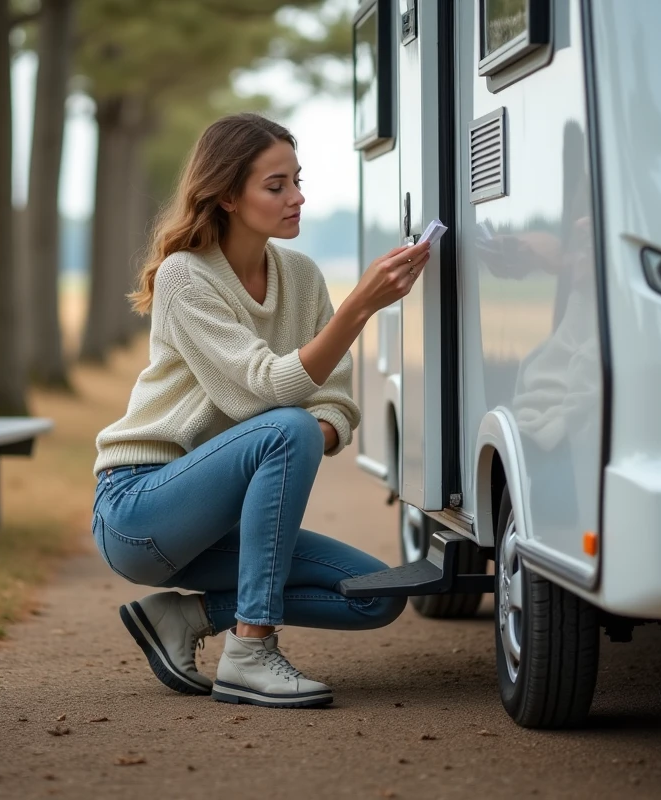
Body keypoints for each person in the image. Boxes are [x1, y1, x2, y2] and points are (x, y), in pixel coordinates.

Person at [91, 112, 431, 708]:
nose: (297, 197)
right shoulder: (185, 277)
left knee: (376, 594)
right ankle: (249, 651)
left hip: (224, 523)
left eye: (298, 181)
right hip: (140, 509)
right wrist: (360, 309)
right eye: (276, 186)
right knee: (285, 427)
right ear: (226, 195)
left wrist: (305, 436)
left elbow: (336, 402)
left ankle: (186, 617)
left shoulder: (299, 276)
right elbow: (262, 393)